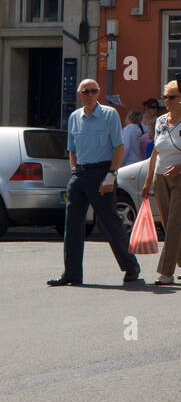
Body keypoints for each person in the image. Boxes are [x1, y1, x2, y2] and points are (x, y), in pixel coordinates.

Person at [47, 79, 141, 287]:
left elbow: (118, 147)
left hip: (102, 173)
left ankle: (131, 266)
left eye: (94, 90)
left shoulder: (109, 114)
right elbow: (72, 149)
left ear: (98, 93)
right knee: (72, 225)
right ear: (80, 94)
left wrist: (111, 175)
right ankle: (72, 273)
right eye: (86, 91)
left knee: (109, 222)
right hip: (80, 174)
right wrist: (73, 172)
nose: (90, 94)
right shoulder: (74, 117)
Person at [141, 82, 181, 285]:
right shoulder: (160, 121)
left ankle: (166, 272)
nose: (167, 101)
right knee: (169, 225)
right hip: (161, 176)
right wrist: (148, 180)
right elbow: (154, 153)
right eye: (165, 97)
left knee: (175, 223)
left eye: (172, 97)